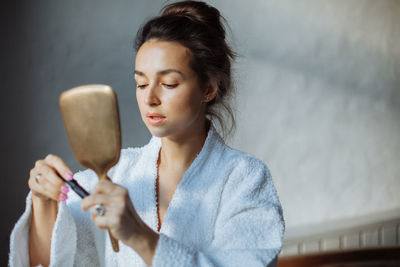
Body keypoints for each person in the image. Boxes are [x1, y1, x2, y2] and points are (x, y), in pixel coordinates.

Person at [9, 1, 284, 266]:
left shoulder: (244, 179)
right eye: (141, 83)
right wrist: (43, 200)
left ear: (209, 88)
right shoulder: (116, 173)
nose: (150, 98)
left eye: (169, 83)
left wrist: (139, 236)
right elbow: (49, 262)